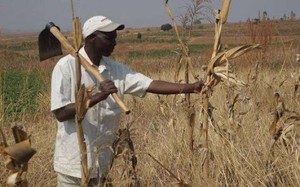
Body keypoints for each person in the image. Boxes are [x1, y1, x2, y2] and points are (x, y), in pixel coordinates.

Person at [51, 15, 204, 186]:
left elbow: (149, 84)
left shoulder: (116, 70)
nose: (114, 42)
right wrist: (98, 97)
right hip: (73, 166)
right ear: (92, 38)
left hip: (101, 164)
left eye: (115, 38)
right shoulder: (67, 67)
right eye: (109, 38)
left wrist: (191, 87)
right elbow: (61, 113)